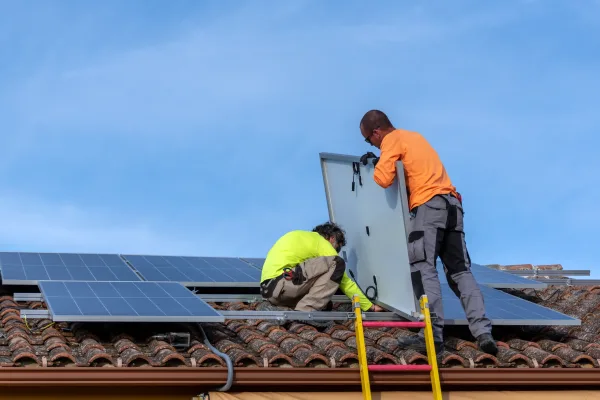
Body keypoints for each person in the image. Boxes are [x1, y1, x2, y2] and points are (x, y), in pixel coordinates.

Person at [358, 109, 498, 355]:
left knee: (422, 266)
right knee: (459, 271)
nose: (373, 144)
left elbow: (383, 179)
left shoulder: (392, 140)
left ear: (377, 132)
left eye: (369, 140)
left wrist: (376, 162)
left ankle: (431, 335)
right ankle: (483, 333)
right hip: (452, 205)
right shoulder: (415, 137)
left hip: (429, 206)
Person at [259, 222, 384, 315]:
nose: (336, 252)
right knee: (337, 264)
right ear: (332, 238)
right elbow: (345, 282)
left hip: (270, 290)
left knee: (325, 303)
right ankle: (306, 311)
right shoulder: (320, 241)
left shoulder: (304, 240)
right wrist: (369, 307)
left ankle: (292, 308)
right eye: (337, 248)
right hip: (283, 284)